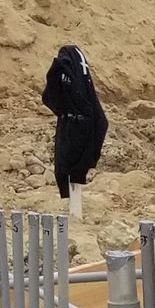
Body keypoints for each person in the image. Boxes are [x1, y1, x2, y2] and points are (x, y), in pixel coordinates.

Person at [41, 44, 108, 216]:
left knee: (69, 171)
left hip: (72, 127)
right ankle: (73, 208)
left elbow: (50, 98)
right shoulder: (81, 78)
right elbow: (101, 121)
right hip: (79, 124)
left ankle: (74, 210)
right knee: (72, 174)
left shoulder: (67, 69)